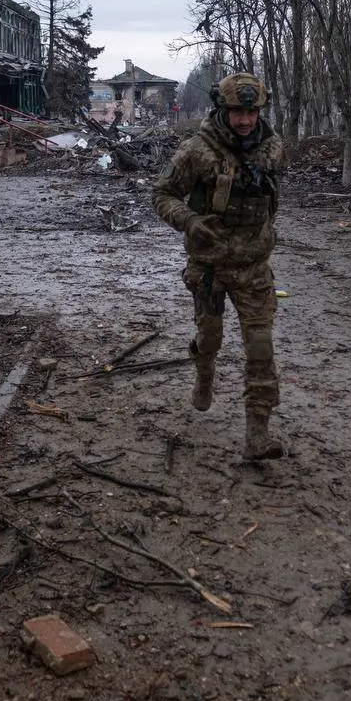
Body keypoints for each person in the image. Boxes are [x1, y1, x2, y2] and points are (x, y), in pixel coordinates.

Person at [152, 73, 285, 460]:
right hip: (209, 267)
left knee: (260, 346)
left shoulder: (273, 148)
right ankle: (204, 374)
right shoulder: (197, 150)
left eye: (252, 112)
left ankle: (257, 435)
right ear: (222, 110)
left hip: (254, 268)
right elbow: (161, 194)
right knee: (210, 338)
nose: (245, 120)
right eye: (237, 112)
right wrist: (190, 221)